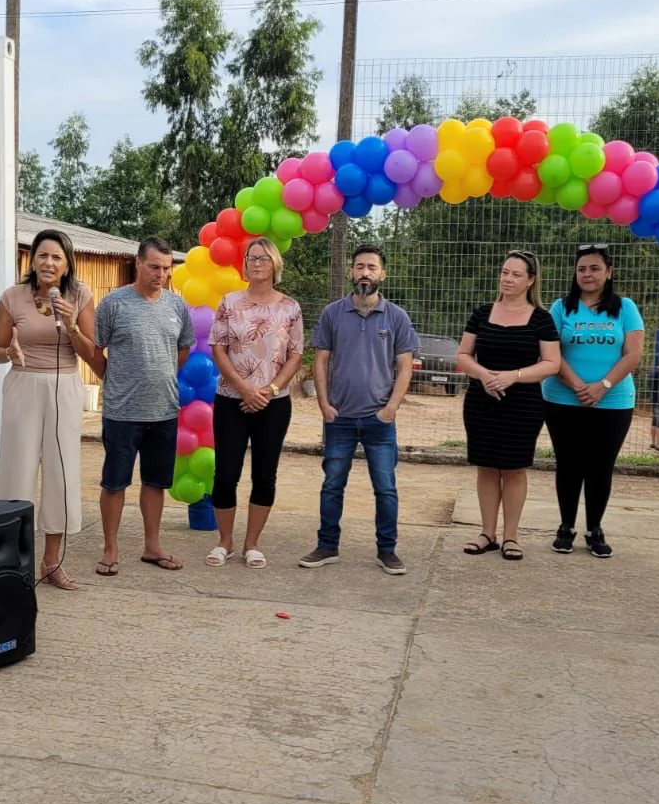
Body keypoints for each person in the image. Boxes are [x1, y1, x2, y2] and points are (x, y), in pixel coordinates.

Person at [302, 245, 419, 576]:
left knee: (385, 487)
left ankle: (387, 550)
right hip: (339, 418)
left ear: (383, 274)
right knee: (332, 484)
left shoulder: (397, 317)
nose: (364, 273)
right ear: (351, 272)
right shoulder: (332, 314)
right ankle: (327, 546)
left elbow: (405, 367)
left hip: (379, 420)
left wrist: (391, 408)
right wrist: (324, 405)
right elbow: (321, 361)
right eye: (359, 267)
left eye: (371, 267)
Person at [0, 229, 99, 590]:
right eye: (42, 256)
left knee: (60, 472)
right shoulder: (12, 297)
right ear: (32, 260)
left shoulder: (80, 295)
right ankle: (9, 562)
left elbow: (91, 356)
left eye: (56, 257)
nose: (48, 263)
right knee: (16, 471)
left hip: (64, 385)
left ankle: (51, 562)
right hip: (22, 384)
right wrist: (11, 353)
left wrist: (69, 324)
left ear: (67, 263)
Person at [91, 237, 192, 576]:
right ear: (138, 263)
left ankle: (152, 546)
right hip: (122, 413)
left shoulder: (177, 306)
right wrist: (116, 381)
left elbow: (182, 350)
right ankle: (110, 547)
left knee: (155, 482)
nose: (161, 274)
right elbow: (96, 351)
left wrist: (159, 377)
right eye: (154, 267)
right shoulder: (113, 304)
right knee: (115, 483)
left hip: (164, 410)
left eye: (166, 268)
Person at [455, 250, 560, 561]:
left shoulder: (542, 319)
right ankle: (487, 532)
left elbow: (552, 363)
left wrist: (513, 377)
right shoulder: (481, 313)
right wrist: (484, 375)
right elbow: (463, 355)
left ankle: (511, 536)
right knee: (486, 466)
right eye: (504, 272)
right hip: (481, 402)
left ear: (530, 280)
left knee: (513, 469)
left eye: (516, 274)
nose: (508, 279)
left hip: (523, 405)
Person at [542, 244, 645, 559]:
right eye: (582, 269)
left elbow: (633, 354)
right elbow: (550, 354)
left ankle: (594, 529)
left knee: (600, 466)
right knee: (569, 464)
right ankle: (566, 527)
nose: (587, 274)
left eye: (595, 268)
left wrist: (603, 386)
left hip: (613, 401)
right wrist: (576, 385)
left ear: (609, 272)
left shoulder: (625, 308)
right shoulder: (561, 308)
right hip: (562, 399)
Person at [206, 237, 303, 570]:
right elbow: (218, 347)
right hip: (232, 399)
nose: (257, 263)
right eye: (251, 257)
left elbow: (296, 355)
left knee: (265, 475)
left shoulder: (290, 306)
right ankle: (225, 542)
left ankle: (252, 544)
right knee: (226, 474)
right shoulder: (230, 302)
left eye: (264, 258)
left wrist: (270, 390)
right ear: (244, 263)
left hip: (273, 404)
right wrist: (244, 389)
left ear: (275, 264)